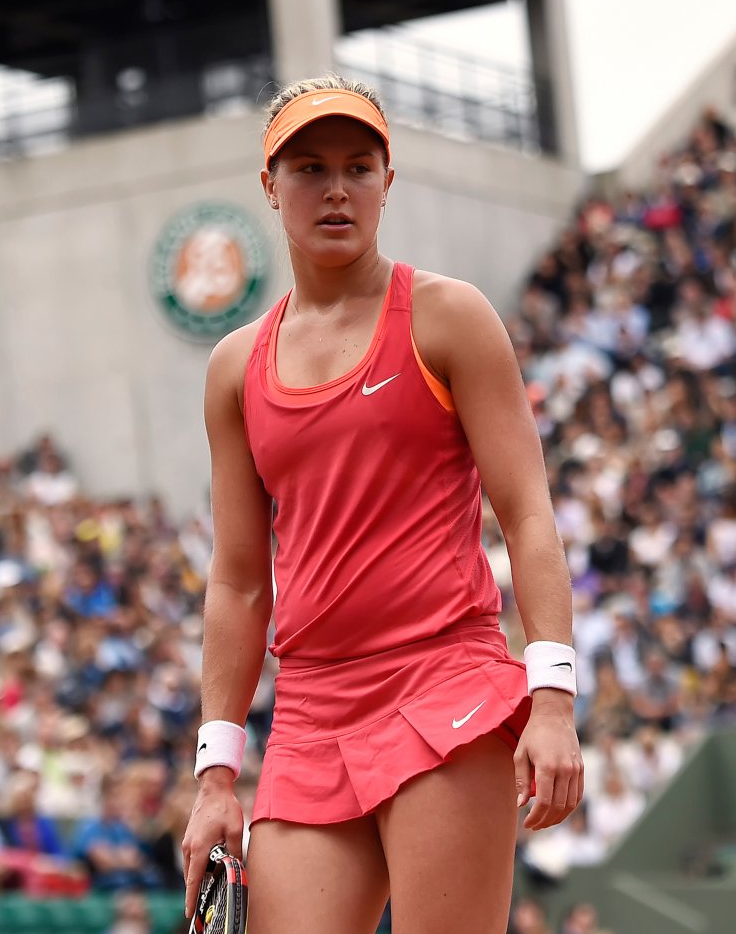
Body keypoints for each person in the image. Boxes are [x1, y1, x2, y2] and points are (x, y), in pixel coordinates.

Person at [181, 78, 584, 934]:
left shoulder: (448, 317)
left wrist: (551, 696)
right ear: (270, 184)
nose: (336, 189)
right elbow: (241, 583)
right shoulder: (233, 370)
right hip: (311, 713)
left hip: (445, 684)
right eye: (310, 167)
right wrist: (215, 773)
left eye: (359, 167)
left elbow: (529, 514)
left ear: (387, 182)